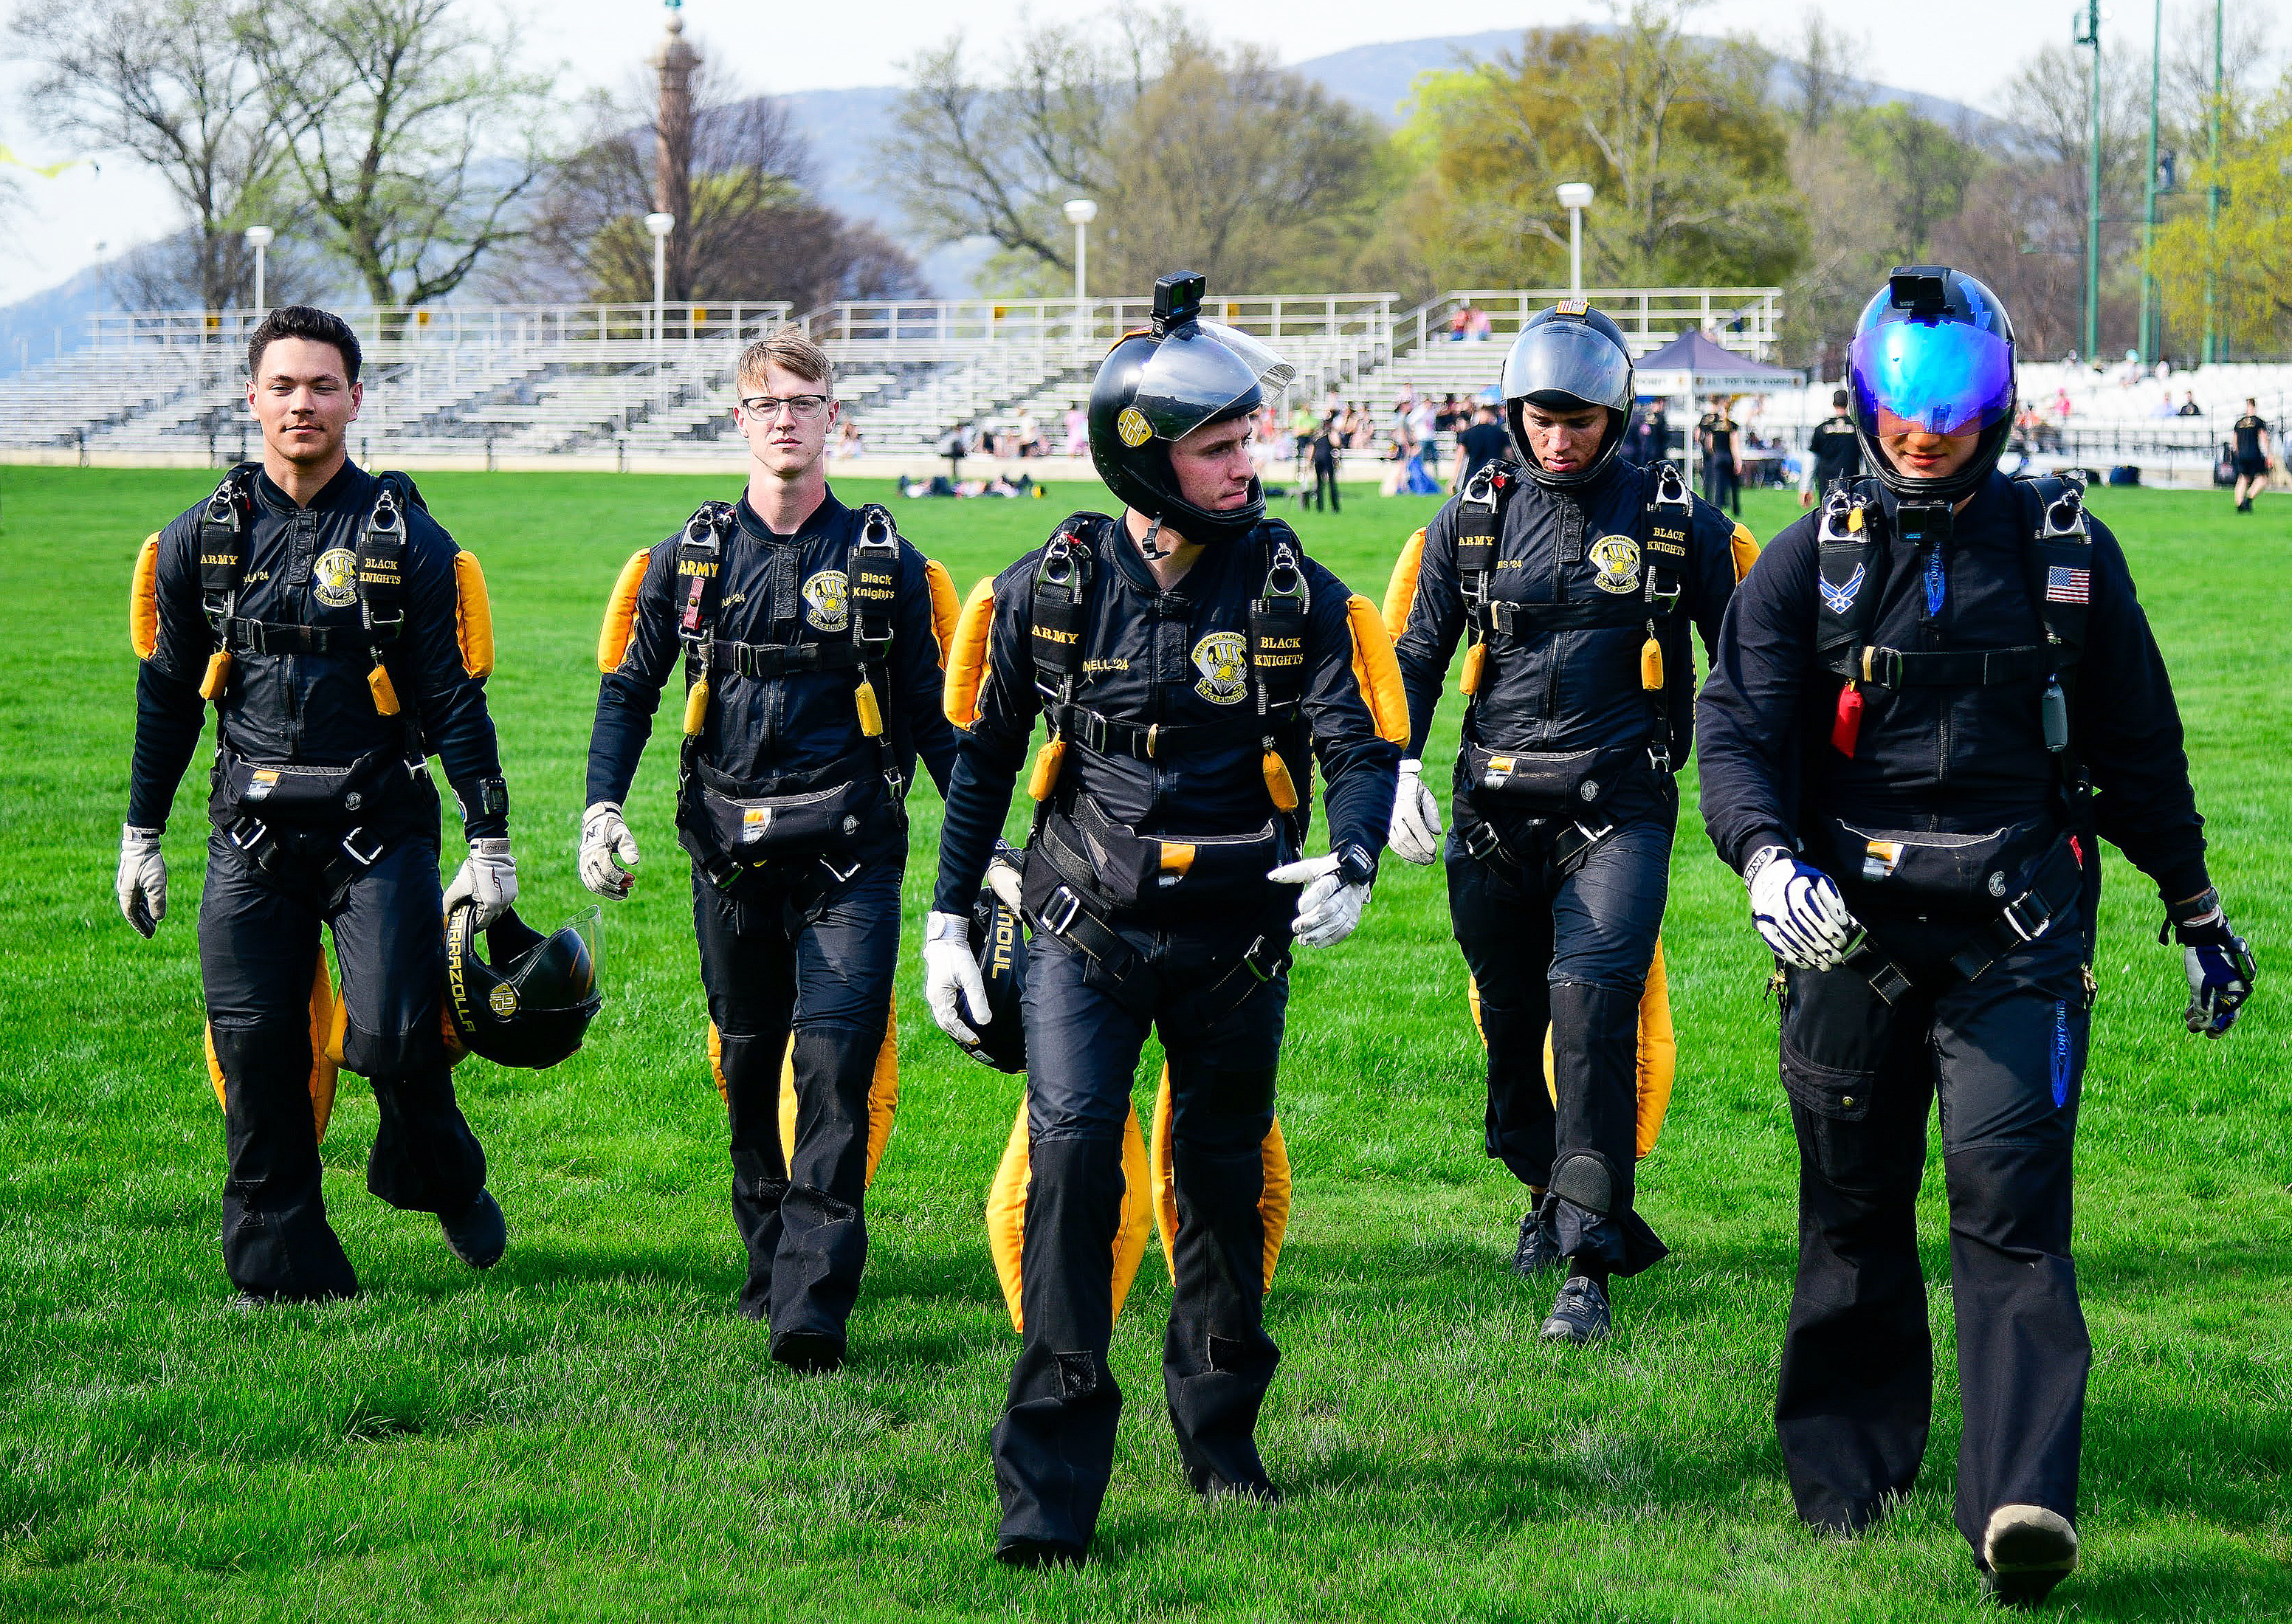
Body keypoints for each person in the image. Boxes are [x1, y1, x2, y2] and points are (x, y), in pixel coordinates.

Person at [1695, 265, 2258, 1607]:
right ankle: (1846, 1478)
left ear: (1998, 405)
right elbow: (1736, 730)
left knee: (2010, 1214)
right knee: (1850, 1208)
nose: (1925, 430)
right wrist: (1764, 856)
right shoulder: (1807, 558)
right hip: (1844, 938)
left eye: (1953, 404)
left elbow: (2138, 751)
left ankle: (2020, 1500)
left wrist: (2196, 910)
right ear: (1863, 399)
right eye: (1903, 401)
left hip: (2021, 933)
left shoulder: (2067, 556)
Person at [920, 271, 1400, 1566]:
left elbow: (1355, 743)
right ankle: (1049, 1491)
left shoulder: (1290, 587)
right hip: (1083, 925)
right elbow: (982, 759)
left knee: (1224, 1186)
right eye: (1219, 444)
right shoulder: (1055, 584)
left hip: (1240, 942)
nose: (1251, 462)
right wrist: (949, 922)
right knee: (1077, 1166)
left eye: (1249, 436)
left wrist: (1353, 852)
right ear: (1144, 461)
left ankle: (1222, 1434)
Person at [116, 306, 517, 1302]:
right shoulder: (196, 542)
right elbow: (167, 699)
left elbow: (453, 696)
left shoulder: (406, 541)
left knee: (392, 1039)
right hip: (248, 840)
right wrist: (141, 836)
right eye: (284, 386)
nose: (303, 404)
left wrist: (491, 837)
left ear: (355, 401)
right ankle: (280, 1269)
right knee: (257, 1053)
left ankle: (439, 1173)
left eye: (323, 386)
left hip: (377, 831)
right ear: (251, 398)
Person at [579, 325, 960, 1373]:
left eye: (805, 401)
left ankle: (812, 1301)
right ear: (738, 422)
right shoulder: (691, 558)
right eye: (767, 404)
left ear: (836, 418)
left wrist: (988, 852)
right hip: (726, 854)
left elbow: (933, 724)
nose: (786, 420)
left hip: (850, 859)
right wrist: (600, 806)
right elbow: (628, 688)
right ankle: (769, 1258)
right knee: (749, 1069)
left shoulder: (885, 564)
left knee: (833, 1067)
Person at [1382, 302, 1755, 1342]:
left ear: (1618, 414)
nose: (1558, 439)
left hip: (1618, 811)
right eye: (1541, 419)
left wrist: (1766, 802)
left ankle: (1587, 1263)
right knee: (1512, 1036)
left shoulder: (1679, 520)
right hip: (1489, 815)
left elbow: (1752, 672)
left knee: (1593, 1020)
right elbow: (1414, 652)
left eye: (1579, 421)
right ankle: (1542, 1185)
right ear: (1514, 413)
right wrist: (1397, 766)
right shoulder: (1470, 515)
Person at [1804, 388, 1863, 506]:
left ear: (1834, 404)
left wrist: (1806, 487)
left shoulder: (1821, 429)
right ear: (1848, 403)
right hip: (1852, 484)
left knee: (1828, 518)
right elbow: (1864, 461)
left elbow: (1811, 461)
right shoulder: (1857, 429)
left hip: (1827, 485)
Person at [1697, 393, 1742, 515]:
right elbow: (1734, 444)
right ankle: (1736, 509)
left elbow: (1709, 444)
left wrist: (1711, 454)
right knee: (1733, 485)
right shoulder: (1732, 425)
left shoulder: (1713, 425)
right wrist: (1738, 461)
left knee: (1717, 483)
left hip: (1717, 457)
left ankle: (1717, 508)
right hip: (1729, 457)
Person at [2230, 399, 2271, 512]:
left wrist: (2237, 454)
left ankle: (2239, 504)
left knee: (2242, 478)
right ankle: (2249, 499)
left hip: (2241, 455)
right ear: (2254, 406)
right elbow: (2263, 438)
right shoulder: (2258, 422)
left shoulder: (2239, 423)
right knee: (2263, 478)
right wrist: (2268, 454)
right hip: (2254, 454)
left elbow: (2235, 442)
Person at [1455, 402, 1509, 486]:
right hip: (1495, 475)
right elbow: (1508, 455)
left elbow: (1460, 457)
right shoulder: (1500, 432)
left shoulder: (1468, 433)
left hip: (1473, 475)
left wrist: (1454, 479)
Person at [1306, 408, 1341, 513]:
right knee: (1331, 482)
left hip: (1317, 458)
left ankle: (1319, 507)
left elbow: (1311, 448)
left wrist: (1309, 461)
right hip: (1327, 457)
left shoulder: (1316, 433)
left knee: (1319, 483)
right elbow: (1336, 443)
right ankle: (1335, 507)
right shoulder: (1330, 432)